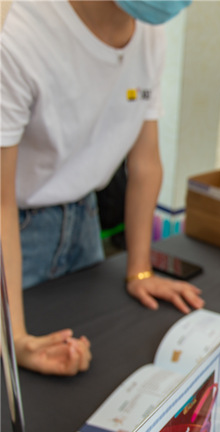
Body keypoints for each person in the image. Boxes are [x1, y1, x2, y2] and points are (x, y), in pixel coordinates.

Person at [0, 0, 203, 376]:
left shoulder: (150, 35)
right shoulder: (18, 31)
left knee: (89, 358)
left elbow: (145, 163)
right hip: (17, 232)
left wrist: (140, 269)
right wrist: (15, 338)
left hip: (84, 220)